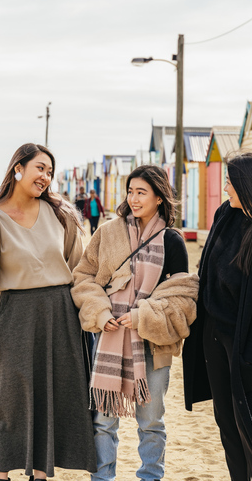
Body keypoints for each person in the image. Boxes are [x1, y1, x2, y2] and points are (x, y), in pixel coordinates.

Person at [0, 143, 96, 480]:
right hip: (16, 320)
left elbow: (78, 271)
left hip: (62, 319)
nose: (46, 177)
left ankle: (40, 474)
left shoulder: (60, 214)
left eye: (50, 171)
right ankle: (1, 476)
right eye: (40, 168)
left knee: (52, 398)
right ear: (18, 169)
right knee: (10, 402)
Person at [71, 164, 198, 481]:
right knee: (103, 421)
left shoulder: (172, 242)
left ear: (159, 198)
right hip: (108, 338)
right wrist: (101, 313)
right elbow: (84, 278)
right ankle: (102, 477)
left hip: (154, 345)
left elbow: (183, 298)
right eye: (131, 191)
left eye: (142, 192)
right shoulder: (109, 233)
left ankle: (150, 477)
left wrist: (142, 316)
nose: (134, 198)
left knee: (152, 421)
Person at [183, 152, 252, 481]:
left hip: (246, 344)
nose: (225, 186)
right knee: (227, 424)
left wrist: (248, 357)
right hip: (213, 335)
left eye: (230, 180)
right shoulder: (224, 216)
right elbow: (207, 271)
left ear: (246, 185)